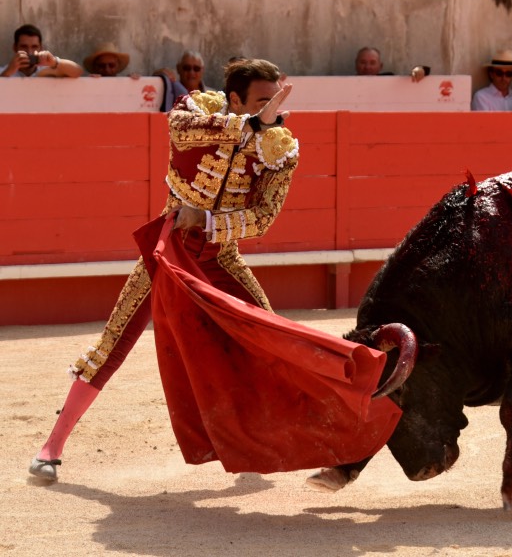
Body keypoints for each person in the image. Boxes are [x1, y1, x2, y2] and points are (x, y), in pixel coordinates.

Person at [28, 58, 300, 483]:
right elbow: (181, 131)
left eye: (275, 101)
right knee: (114, 342)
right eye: (263, 101)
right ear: (234, 99)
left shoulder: (279, 147)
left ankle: (283, 439)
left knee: (269, 338)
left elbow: (263, 218)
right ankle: (52, 447)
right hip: (168, 250)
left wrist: (207, 221)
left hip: (219, 254)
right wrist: (249, 126)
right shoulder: (196, 110)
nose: (274, 110)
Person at [1, 24, 82, 78]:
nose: (29, 52)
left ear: (41, 48)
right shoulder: (3, 71)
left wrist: (54, 62)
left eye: (34, 47)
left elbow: (77, 72)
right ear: (15, 48)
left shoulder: (46, 71)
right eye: (24, 47)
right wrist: (8, 72)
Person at [354, 46, 429, 82]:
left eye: (372, 63)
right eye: (363, 62)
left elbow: (423, 71)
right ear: (356, 64)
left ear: (380, 66)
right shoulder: (348, 84)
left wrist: (418, 71)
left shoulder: (390, 79)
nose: (367, 67)